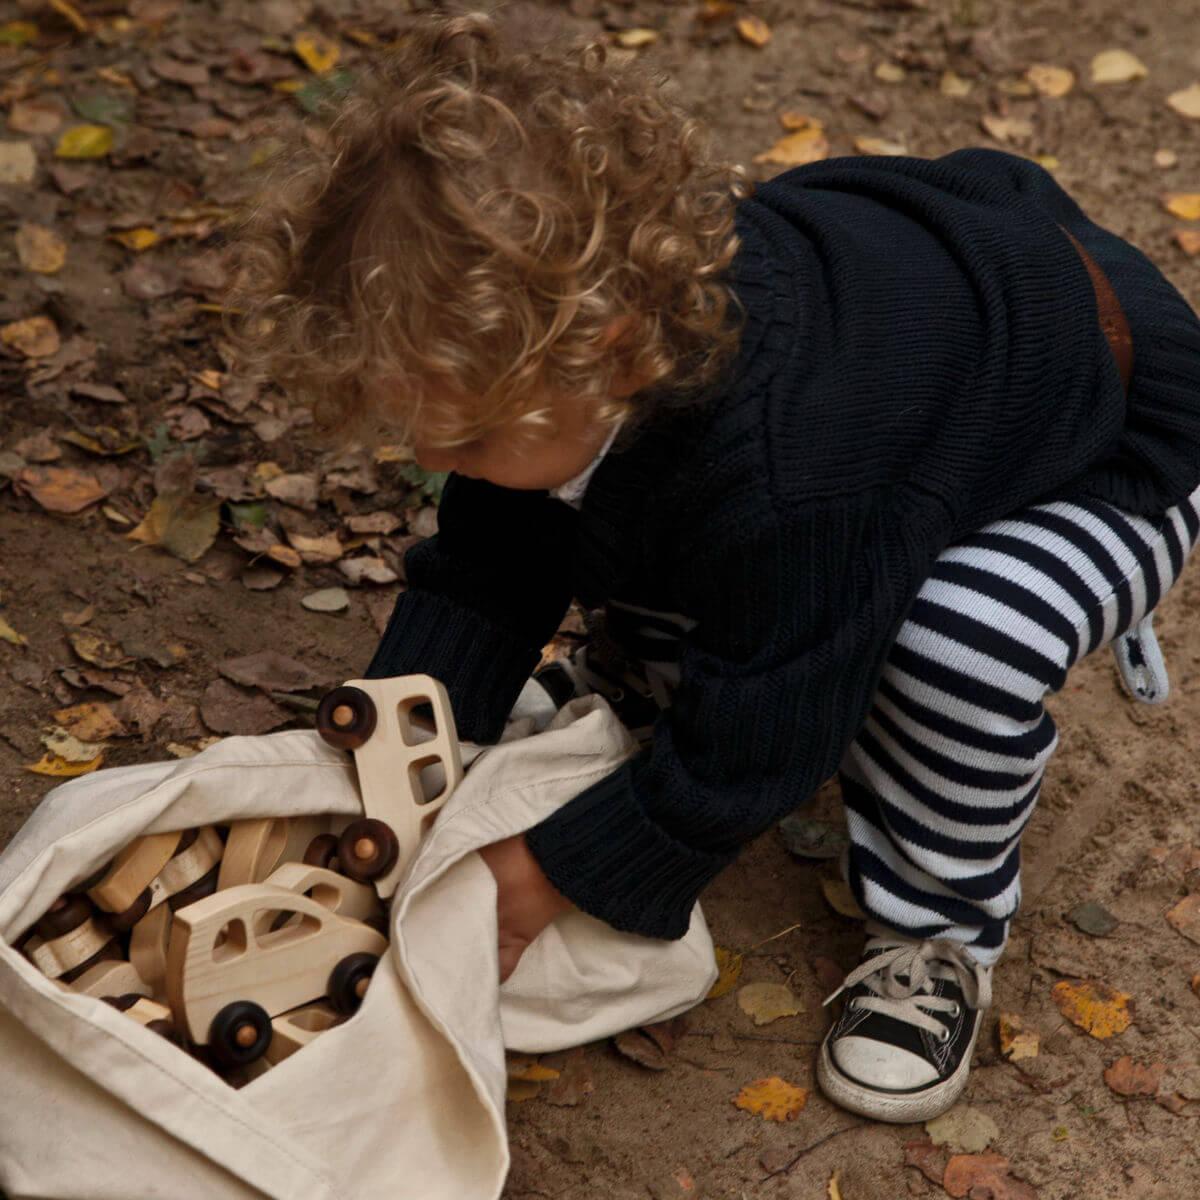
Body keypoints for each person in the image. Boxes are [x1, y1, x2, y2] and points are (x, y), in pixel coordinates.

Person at [225, 11, 1200, 1123]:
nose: (435, 461)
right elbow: (489, 565)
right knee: (623, 504)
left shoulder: (795, 473)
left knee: (949, 646)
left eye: (468, 438)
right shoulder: (577, 373)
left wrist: (551, 873)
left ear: (610, 351)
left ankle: (940, 933)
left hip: (1099, 447)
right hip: (930, 352)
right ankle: (652, 685)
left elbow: (771, 734)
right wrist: (407, 726)